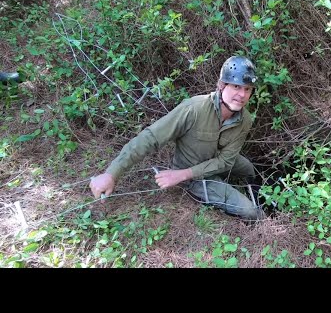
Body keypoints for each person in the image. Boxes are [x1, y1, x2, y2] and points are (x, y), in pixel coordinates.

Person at [89, 56, 265, 221]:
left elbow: (226, 161)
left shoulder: (245, 119)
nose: (242, 95)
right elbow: (150, 138)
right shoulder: (194, 109)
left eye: (247, 89)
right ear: (221, 85)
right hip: (192, 176)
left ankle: (260, 196)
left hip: (216, 163)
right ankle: (255, 213)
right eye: (236, 86)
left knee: (249, 169)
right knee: (250, 212)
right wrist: (112, 173)